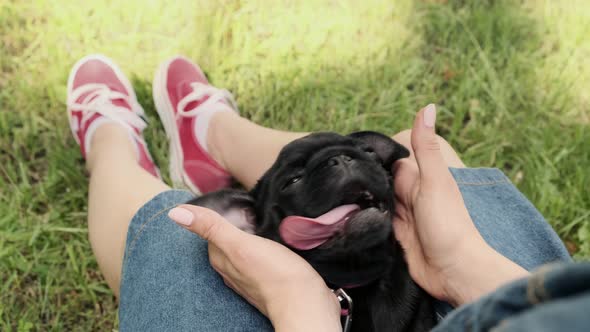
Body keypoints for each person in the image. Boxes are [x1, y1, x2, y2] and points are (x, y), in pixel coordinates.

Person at [66, 54, 585, 331]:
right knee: (422, 157)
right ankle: (213, 134)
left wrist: (298, 309)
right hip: (521, 310)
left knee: (181, 237)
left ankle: (110, 139)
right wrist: (466, 264)